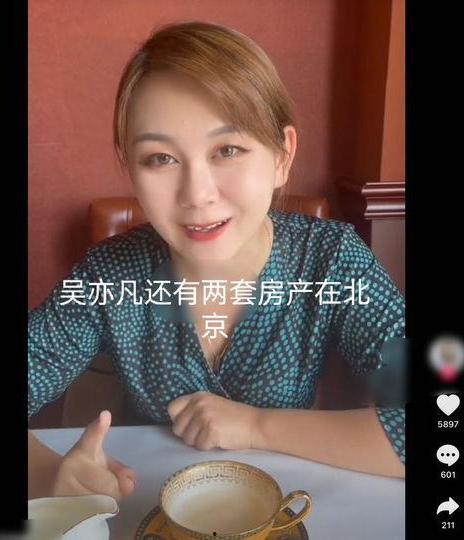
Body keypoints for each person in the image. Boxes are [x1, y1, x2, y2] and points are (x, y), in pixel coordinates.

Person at [28, 21, 405, 501]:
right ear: (130, 167)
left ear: (282, 155)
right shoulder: (111, 275)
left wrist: (255, 426)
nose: (197, 195)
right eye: (160, 158)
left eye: (227, 150)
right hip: (152, 505)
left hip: (292, 507)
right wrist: (45, 472)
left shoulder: (330, 261)